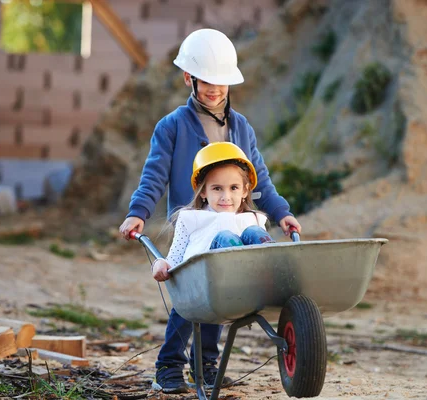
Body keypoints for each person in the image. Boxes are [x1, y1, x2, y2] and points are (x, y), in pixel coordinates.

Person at [119, 28, 302, 393]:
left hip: (233, 223)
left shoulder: (241, 128)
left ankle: (206, 364)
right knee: (192, 301)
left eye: (221, 83)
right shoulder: (171, 127)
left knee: (222, 290)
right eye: (206, 82)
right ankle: (169, 365)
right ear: (189, 77)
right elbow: (154, 175)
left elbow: (259, 179)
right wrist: (138, 211)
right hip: (193, 223)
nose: (214, 90)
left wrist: (281, 212)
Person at [150, 142, 283, 394]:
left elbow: (254, 240)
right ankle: (168, 366)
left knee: (253, 232)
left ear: (245, 191)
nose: (225, 196)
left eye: (234, 188)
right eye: (217, 188)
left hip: (237, 284)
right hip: (196, 282)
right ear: (203, 192)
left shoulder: (253, 219)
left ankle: (205, 366)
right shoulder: (191, 218)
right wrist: (160, 263)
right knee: (226, 239)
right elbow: (175, 257)